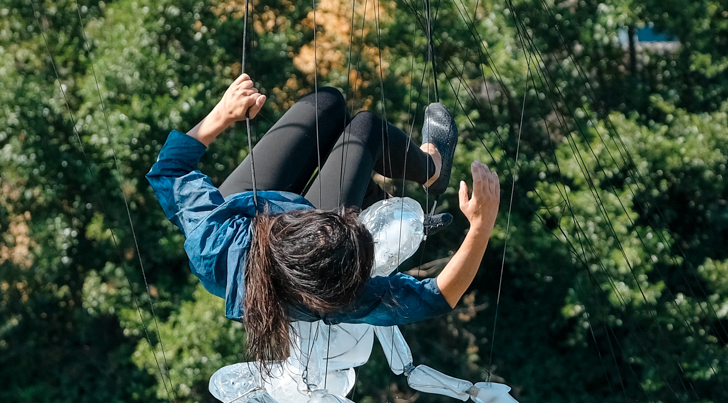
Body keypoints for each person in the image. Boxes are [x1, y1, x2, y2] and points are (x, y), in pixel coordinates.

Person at [147, 75, 500, 364]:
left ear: (293, 222)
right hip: (293, 264)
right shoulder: (336, 295)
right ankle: (432, 169)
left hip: (250, 227)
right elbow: (436, 297)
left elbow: (168, 171)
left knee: (327, 104)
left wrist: (222, 114)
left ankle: (374, 195)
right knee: (367, 127)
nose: (349, 215)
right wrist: (481, 228)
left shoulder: (216, 234)